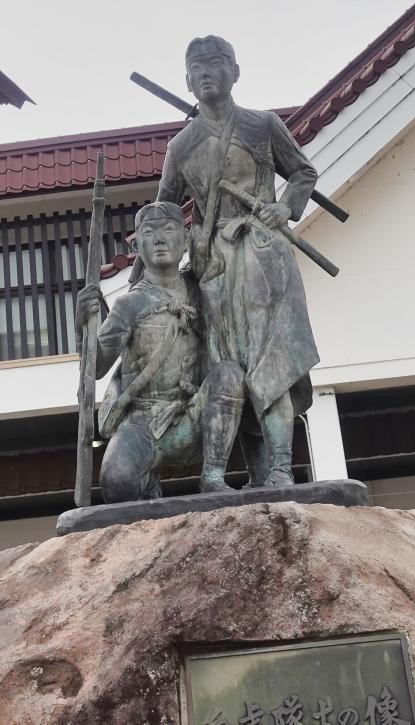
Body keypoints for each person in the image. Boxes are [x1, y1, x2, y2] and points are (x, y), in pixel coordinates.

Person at [153, 35, 320, 492]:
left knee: (275, 363)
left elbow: (303, 171)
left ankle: (283, 469)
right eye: (197, 68)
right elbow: (166, 211)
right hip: (216, 269)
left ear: (235, 72)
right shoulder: (181, 146)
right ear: (187, 81)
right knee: (229, 371)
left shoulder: (263, 125)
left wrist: (285, 208)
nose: (206, 73)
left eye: (215, 64)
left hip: (266, 256)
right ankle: (251, 473)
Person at [75, 201, 204, 500]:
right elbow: (95, 369)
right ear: (138, 246)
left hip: (199, 409)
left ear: (185, 239)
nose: (159, 239)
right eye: (149, 232)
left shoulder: (203, 289)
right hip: (144, 418)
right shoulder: (129, 305)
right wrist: (83, 326)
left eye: (169, 229)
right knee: (116, 480)